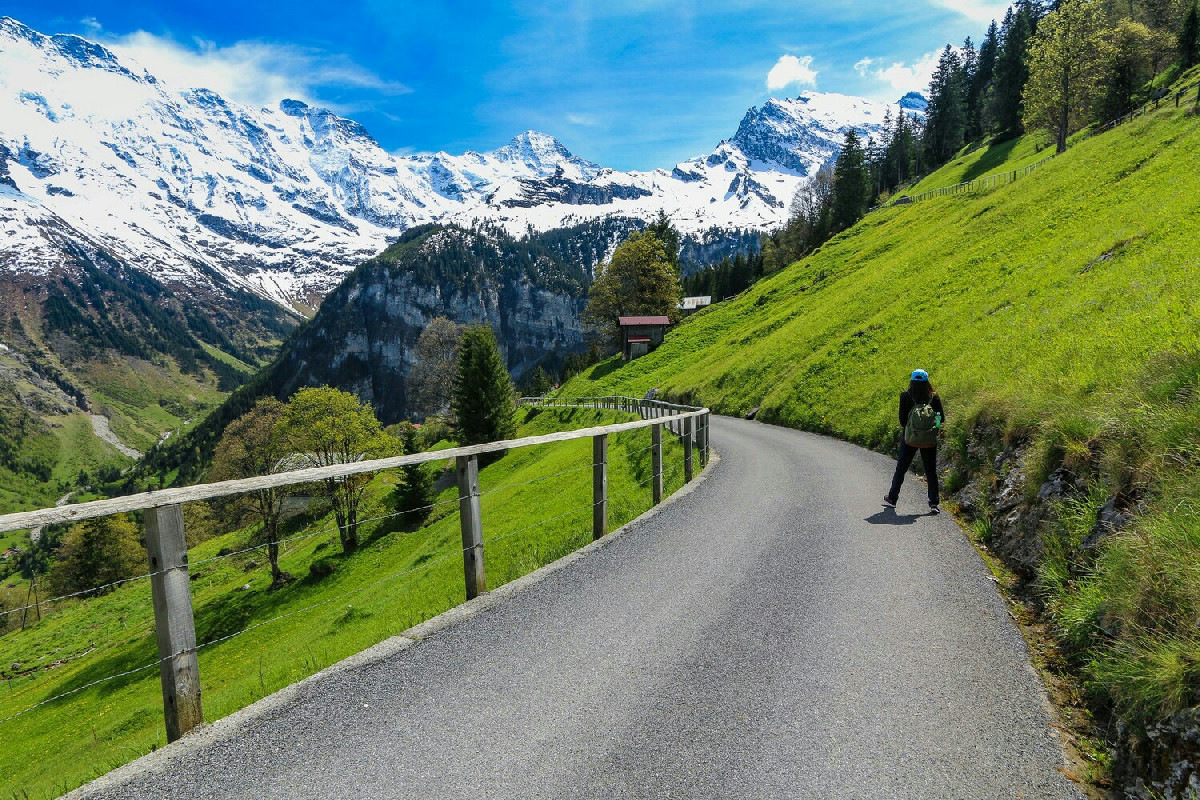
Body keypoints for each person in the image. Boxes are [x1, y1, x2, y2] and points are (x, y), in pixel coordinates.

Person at [883, 369, 945, 513]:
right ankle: (934, 503)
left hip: (909, 438)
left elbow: (902, 421)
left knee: (901, 468)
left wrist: (912, 428)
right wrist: (934, 429)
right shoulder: (933, 397)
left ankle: (892, 498)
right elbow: (940, 417)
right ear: (927, 381)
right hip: (929, 438)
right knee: (930, 471)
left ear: (911, 381)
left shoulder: (905, 396)